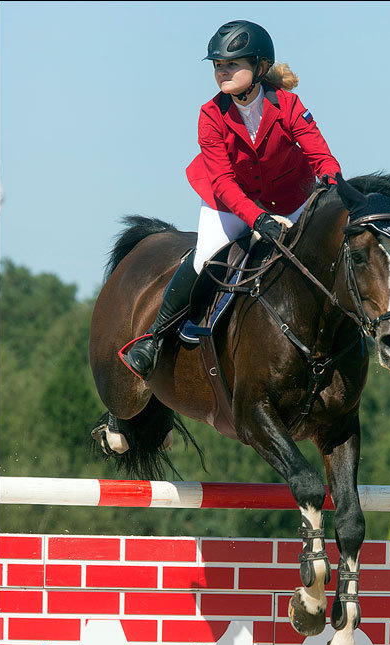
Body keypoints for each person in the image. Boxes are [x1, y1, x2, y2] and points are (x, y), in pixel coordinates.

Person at [124, 19, 342, 380]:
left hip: (291, 199)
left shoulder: (288, 105)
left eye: (231, 64)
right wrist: (258, 220)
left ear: (259, 67)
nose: (222, 72)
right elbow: (224, 183)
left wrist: (336, 188)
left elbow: (321, 156)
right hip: (231, 204)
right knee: (204, 258)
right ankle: (156, 337)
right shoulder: (211, 115)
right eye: (217, 66)